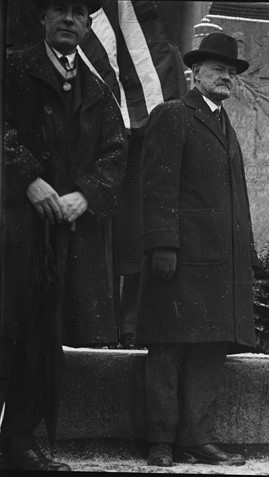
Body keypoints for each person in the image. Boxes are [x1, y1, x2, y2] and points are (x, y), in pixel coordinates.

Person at [0, 0, 127, 471]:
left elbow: (116, 154)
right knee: (6, 326)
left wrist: (86, 195)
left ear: (89, 23)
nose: (69, 19)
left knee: (43, 337)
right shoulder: (14, 69)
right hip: (12, 230)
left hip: (62, 239)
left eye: (79, 11)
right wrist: (26, 178)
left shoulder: (96, 87)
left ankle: (18, 441)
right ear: (43, 19)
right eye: (60, 10)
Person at [137, 32, 258, 467]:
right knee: (168, 348)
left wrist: (246, 251)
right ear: (195, 73)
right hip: (180, 260)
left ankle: (195, 438)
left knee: (209, 351)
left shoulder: (225, 125)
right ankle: (161, 443)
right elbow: (158, 184)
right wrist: (163, 244)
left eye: (231, 71)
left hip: (219, 265)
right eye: (217, 69)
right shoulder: (174, 114)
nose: (226, 76)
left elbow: (234, 197)